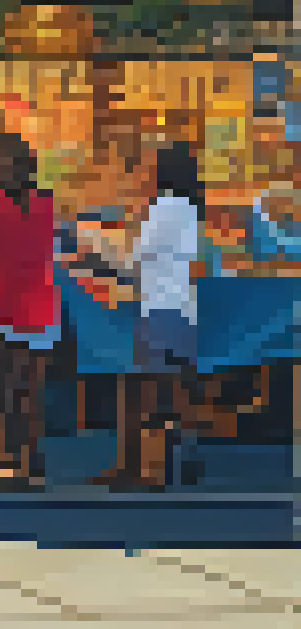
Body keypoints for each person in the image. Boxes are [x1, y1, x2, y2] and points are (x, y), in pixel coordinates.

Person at [0, 131, 60, 492]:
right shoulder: (46, 203)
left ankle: (7, 463)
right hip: (42, 307)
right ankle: (31, 466)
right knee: (28, 391)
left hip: (7, 308)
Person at [113, 140, 203, 491]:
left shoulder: (163, 207)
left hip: (159, 308)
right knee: (178, 387)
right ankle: (188, 458)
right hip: (184, 308)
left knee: (145, 389)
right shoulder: (191, 208)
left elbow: (136, 259)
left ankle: (148, 470)